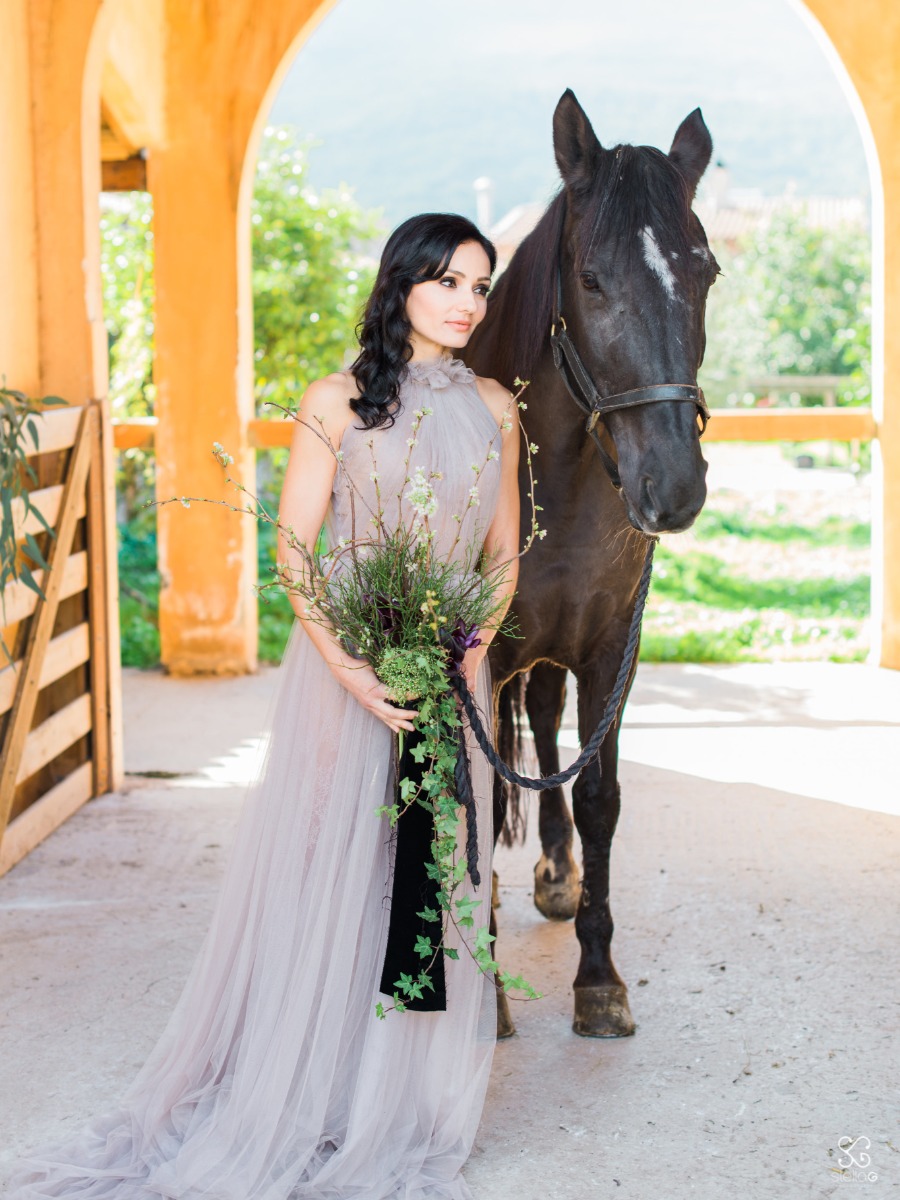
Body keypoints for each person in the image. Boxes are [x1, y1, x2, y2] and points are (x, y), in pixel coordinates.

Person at [3, 213, 521, 1200]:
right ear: (402, 285)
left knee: (426, 876)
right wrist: (358, 672)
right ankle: (310, 1090)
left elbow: (502, 553)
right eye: (447, 281)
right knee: (332, 873)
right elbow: (296, 554)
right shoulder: (337, 400)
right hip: (345, 675)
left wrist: (470, 641)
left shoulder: (497, 404)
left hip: (451, 672)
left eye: (480, 286)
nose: (466, 302)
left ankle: (398, 1102)